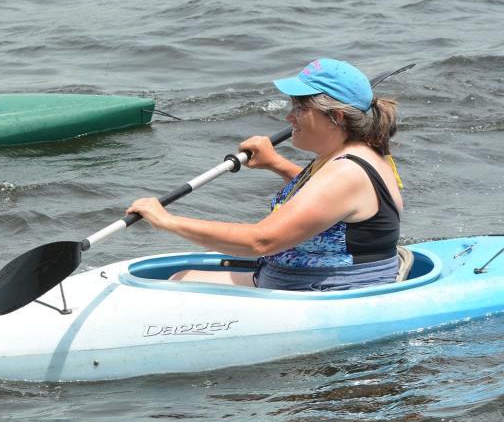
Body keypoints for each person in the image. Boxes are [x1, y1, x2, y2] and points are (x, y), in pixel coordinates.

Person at [127, 58, 403, 291]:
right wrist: (277, 164)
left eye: (300, 108)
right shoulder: (358, 153)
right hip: (295, 280)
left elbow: (261, 241)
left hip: (327, 294)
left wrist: (167, 221)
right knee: (183, 277)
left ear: (337, 118)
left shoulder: (346, 173)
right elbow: (327, 205)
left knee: (180, 284)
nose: (289, 118)